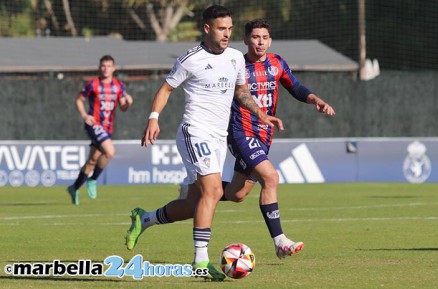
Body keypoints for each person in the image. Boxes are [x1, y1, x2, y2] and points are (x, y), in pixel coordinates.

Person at [130, 6, 282, 282]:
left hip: (217, 137)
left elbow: (240, 91)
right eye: (222, 29)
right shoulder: (191, 59)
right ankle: (200, 261)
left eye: (230, 29)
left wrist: (259, 112)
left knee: (195, 203)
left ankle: (145, 219)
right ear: (207, 29)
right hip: (194, 131)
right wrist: (153, 118)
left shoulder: (236, 58)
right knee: (212, 190)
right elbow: (166, 89)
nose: (227, 34)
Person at [67, 55, 133, 205]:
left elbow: (123, 107)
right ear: (99, 68)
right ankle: (93, 179)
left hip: (107, 127)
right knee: (110, 152)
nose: (106, 68)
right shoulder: (93, 84)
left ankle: (74, 187)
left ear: (113, 68)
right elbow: (79, 100)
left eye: (109, 66)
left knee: (91, 161)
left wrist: (128, 103)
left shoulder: (118, 86)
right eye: (103, 66)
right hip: (94, 124)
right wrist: (84, 115)